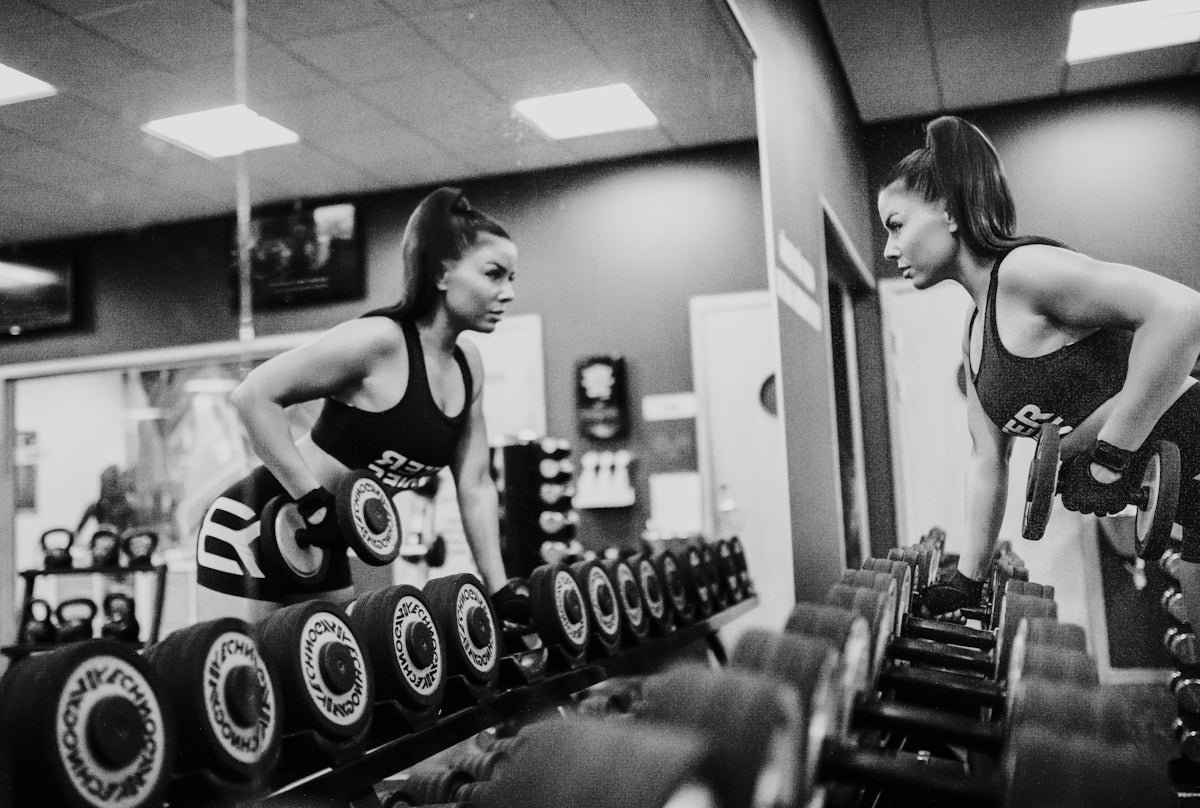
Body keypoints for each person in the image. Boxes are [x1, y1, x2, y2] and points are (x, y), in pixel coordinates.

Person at [877, 115, 1200, 619]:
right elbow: (988, 459)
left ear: (950, 210)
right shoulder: (973, 329)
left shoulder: (1024, 272)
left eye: (896, 225)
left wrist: (1110, 455)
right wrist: (967, 579)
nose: (888, 249)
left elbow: (1182, 313)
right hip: (1176, 495)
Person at [196, 187, 529, 622]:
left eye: (512, 279)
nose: (508, 293)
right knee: (242, 681)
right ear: (442, 274)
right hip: (257, 521)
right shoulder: (381, 341)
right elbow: (253, 397)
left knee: (327, 684)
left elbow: (476, 484)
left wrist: (500, 589)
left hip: (325, 539)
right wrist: (312, 499)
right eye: (493, 274)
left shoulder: (469, 367)